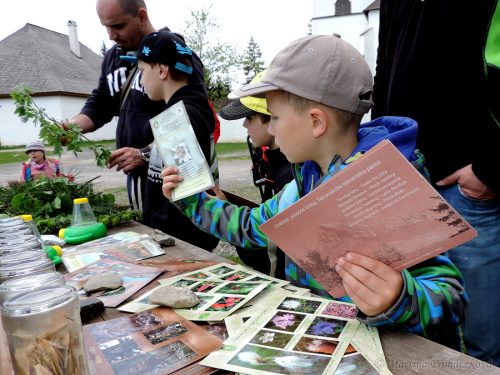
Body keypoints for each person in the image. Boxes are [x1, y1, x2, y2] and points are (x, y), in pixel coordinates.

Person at [161, 35, 468, 345]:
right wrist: (190, 198)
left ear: (316, 122)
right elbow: (250, 227)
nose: (270, 128)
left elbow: (452, 301)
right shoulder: (301, 186)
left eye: (276, 117)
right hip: (325, 344)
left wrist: (398, 298)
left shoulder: (388, 189)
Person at [372, 1, 500, 363]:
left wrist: (492, 168)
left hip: (468, 185)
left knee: (483, 348)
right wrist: (379, 147)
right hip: (403, 178)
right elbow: (386, 65)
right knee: (419, 333)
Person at [64, 0, 220, 210]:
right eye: (106, 27)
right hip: (138, 179)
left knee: (174, 228)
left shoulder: (177, 54)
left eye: (118, 26)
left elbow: (191, 120)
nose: (111, 35)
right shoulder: (112, 57)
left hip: (171, 173)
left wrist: (145, 154)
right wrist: (71, 127)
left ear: (142, 17)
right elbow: (100, 104)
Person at [123, 30, 219, 251]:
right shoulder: (186, 108)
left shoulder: (179, 117)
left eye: (142, 71)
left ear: (162, 70)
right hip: (182, 238)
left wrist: (156, 228)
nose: (141, 80)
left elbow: (186, 193)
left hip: (180, 243)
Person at [219, 70, 293, 278]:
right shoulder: (274, 162)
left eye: (249, 117)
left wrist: (225, 210)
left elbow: (268, 254)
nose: (244, 125)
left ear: (271, 119)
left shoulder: (292, 174)